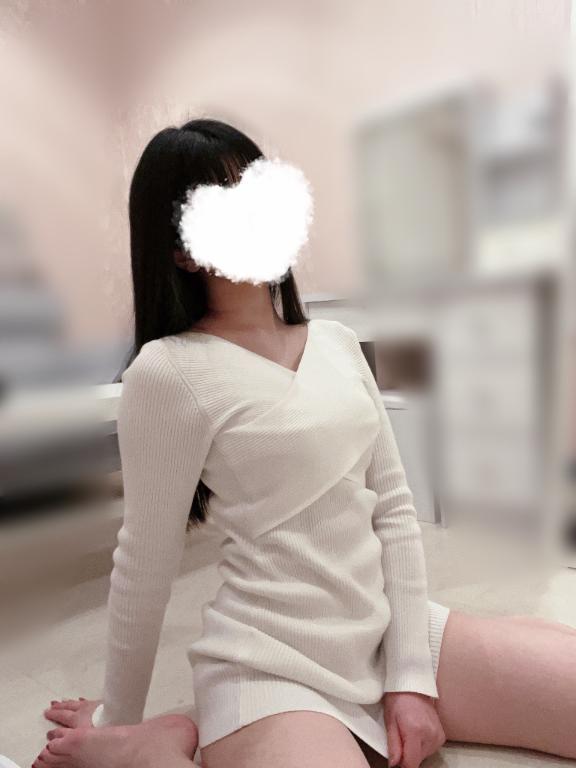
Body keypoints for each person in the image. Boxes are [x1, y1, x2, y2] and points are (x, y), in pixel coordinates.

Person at [36, 120, 576, 768]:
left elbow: (394, 510)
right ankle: (152, 746)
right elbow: (144, 562)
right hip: (271, 665)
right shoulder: (169, 372)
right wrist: (116, 722)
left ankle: (188, 728)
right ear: (181, 252)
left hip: (389, 629)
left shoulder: (337, 343)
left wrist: (409, 677)